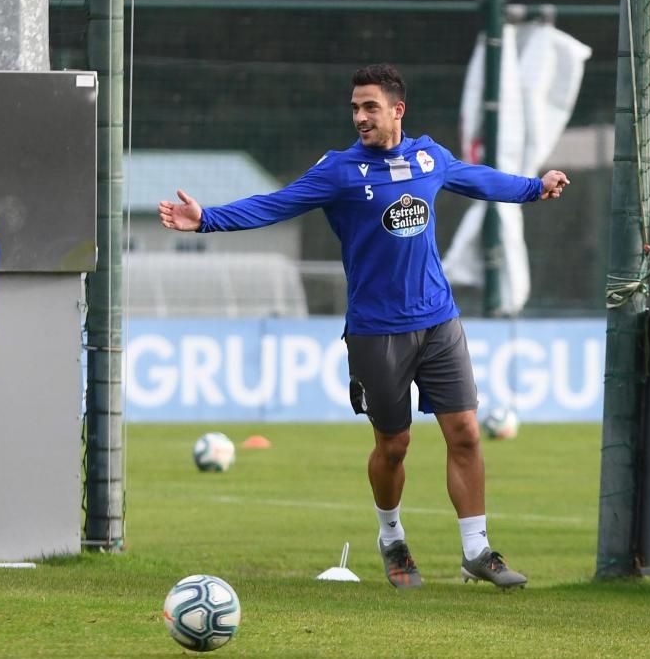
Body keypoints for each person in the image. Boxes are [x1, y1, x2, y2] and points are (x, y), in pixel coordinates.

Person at [158, 63, 569, 591]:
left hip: (439, 320)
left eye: (370, 107)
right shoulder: (338, 170)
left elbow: (480, 179)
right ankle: (392, 538)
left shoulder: (429, 156)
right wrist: (208, 218)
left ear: (398, 110)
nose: (359, 117)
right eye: (355, 107)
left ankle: (476, 549)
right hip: (376, 331)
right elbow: (275, 204)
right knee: (394, 445)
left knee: (465, 432)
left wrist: (535, 187)